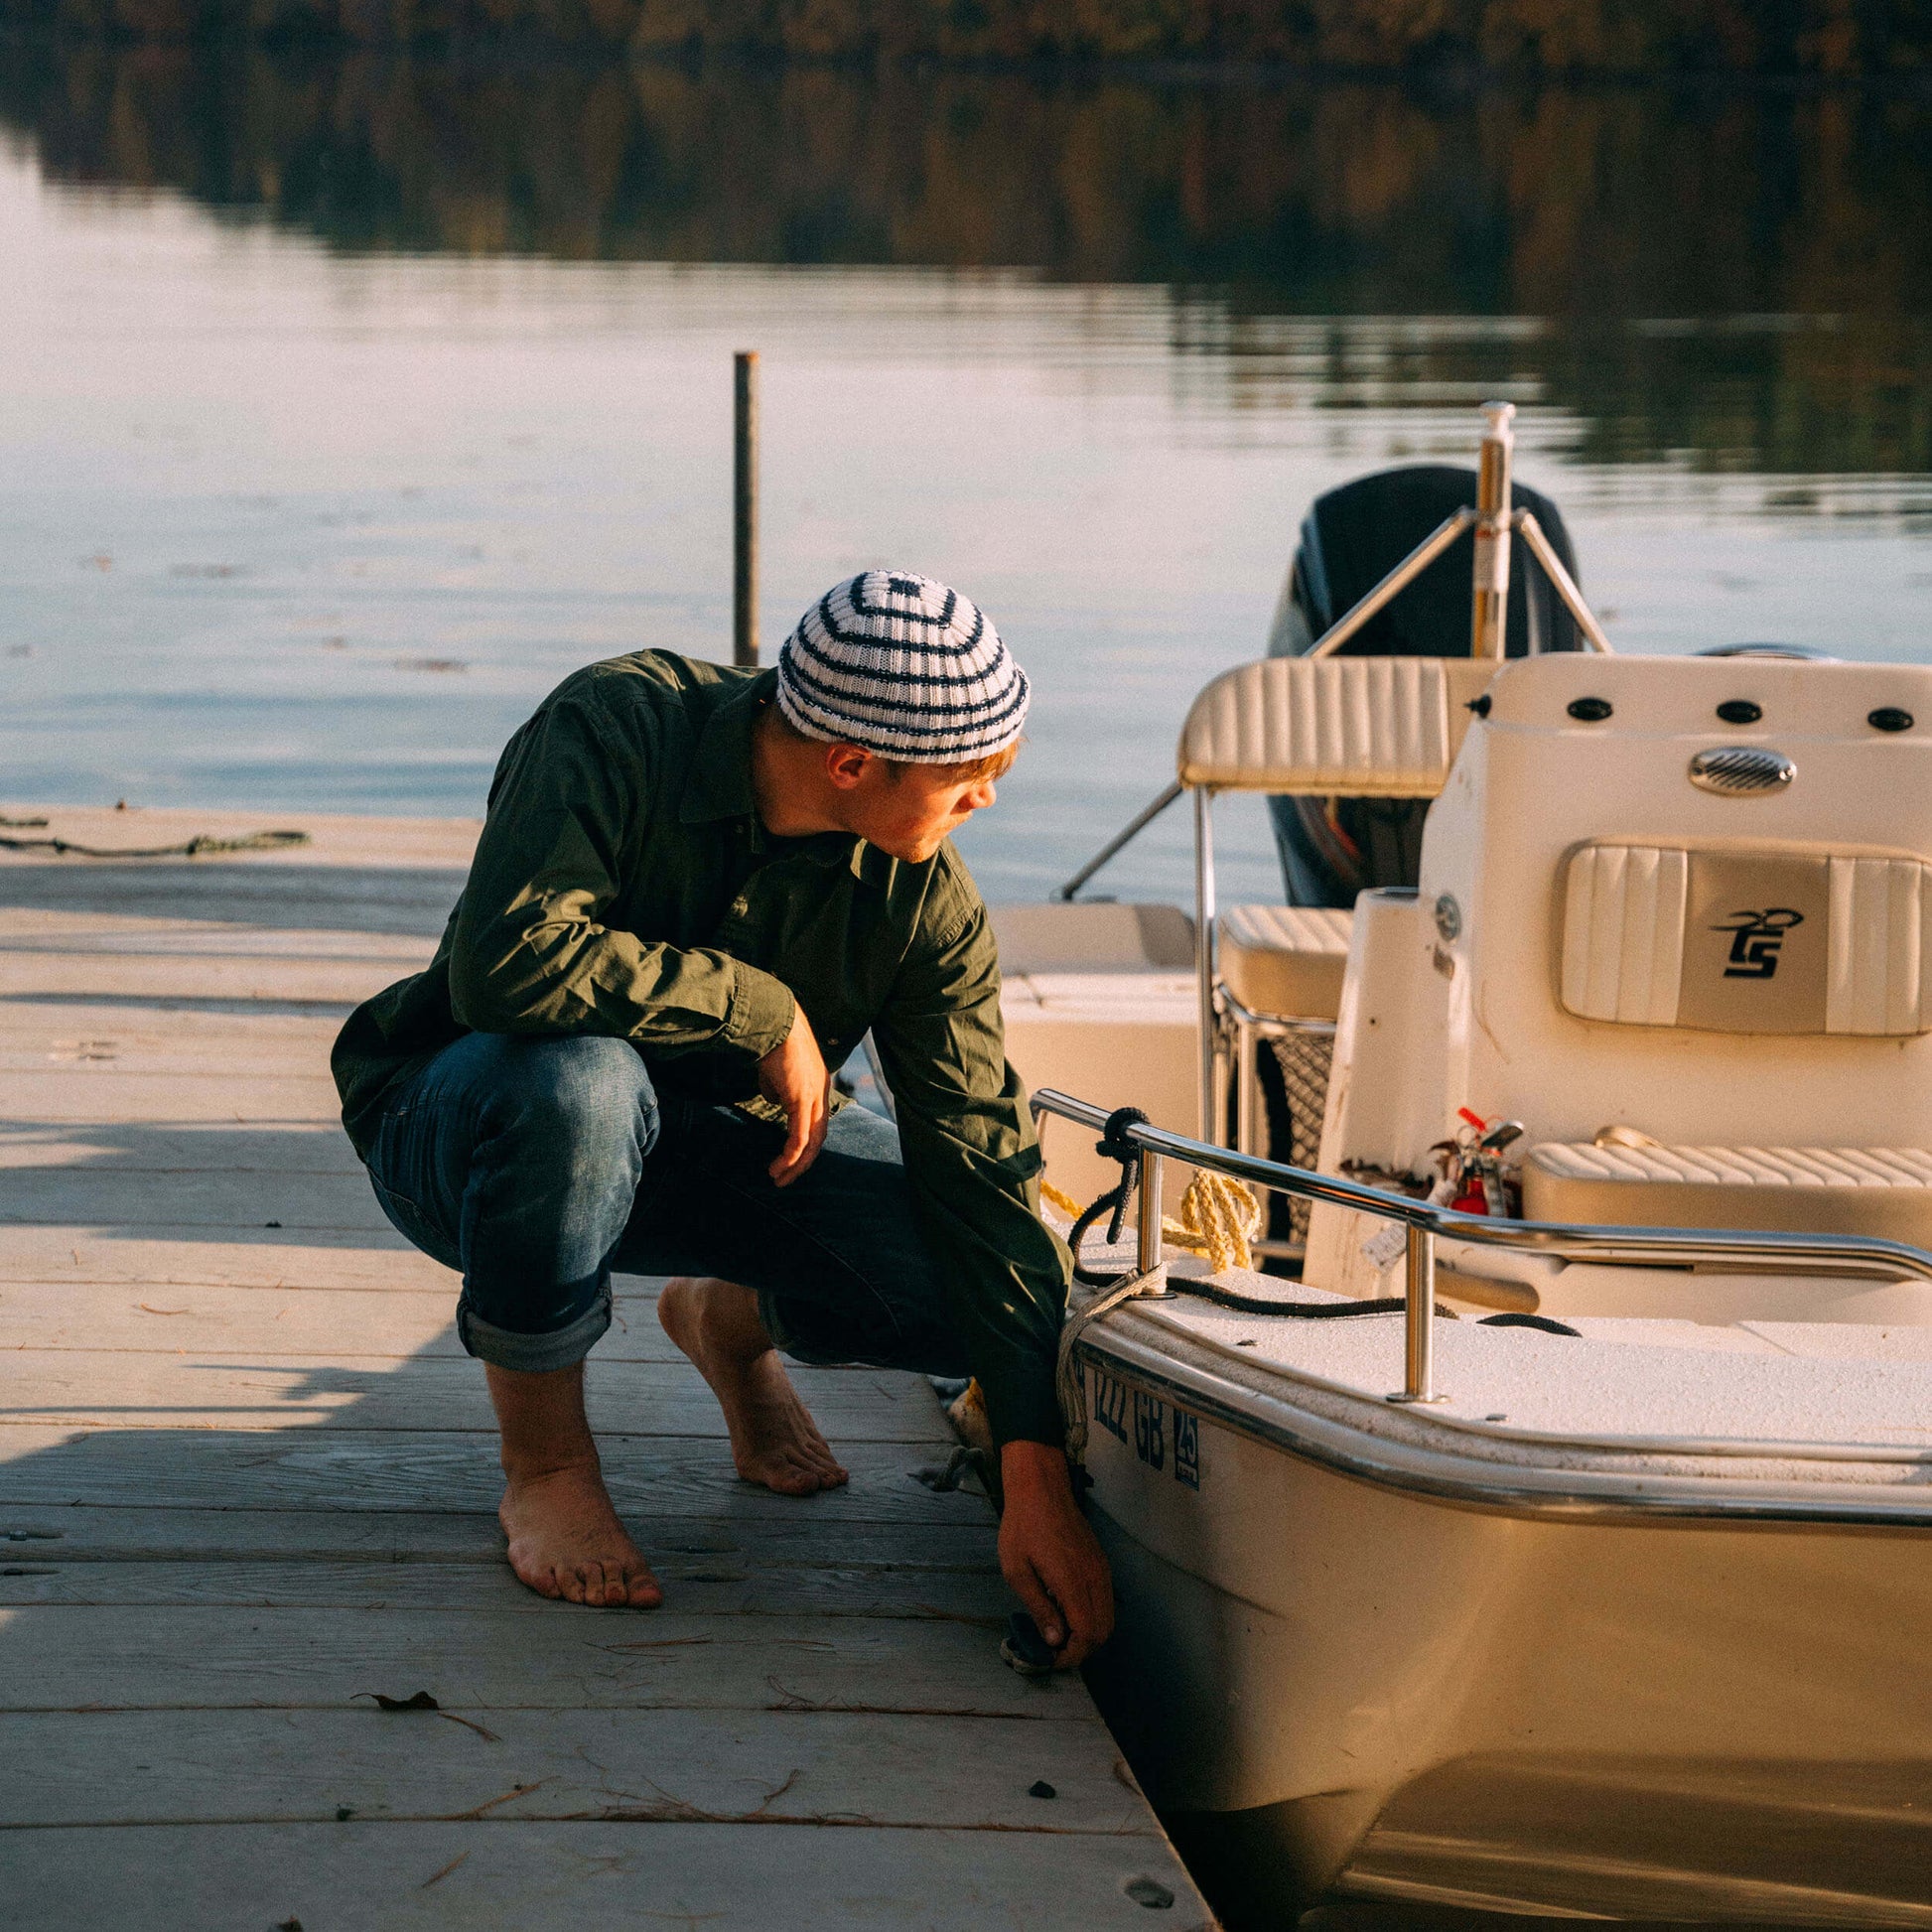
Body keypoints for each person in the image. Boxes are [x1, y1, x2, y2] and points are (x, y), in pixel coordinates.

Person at [331, 570, 1113, 1666]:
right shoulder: (611, 726)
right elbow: (502, 964)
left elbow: (977, 1172)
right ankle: (547, 1467)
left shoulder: (927, 902)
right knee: (581, 1085)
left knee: (975, 1278)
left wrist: (1030, 1476)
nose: (988, 800)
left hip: (720, 1157)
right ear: (850, 762)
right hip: (475, 1133)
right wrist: (755, 1005)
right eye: (971, 776)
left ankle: (727, 1322)